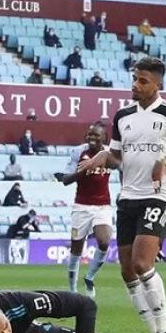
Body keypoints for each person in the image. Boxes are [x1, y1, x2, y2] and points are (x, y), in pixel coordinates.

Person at [78, 56, 166, 333]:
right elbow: (119, 158)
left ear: (158, 84)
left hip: (158, 195)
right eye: (134, 78)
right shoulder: (122, 116)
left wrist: (165, 161)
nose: (135, 84)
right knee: (127, 272)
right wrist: (103, 158)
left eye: (143, 80)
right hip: (128, 197)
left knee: (142, 264)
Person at [61, 123, 113, 298]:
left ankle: (89, 277)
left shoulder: (109, 153)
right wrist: (82, 172)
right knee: (76, 248)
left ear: (104, 137)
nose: (92, 138)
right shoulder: (78, 152)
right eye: (90, 134)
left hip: (103, 205)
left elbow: (122, 168)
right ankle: (72, 289)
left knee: (104, 241)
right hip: (81, 206)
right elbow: (65, 180)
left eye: (96, 135)